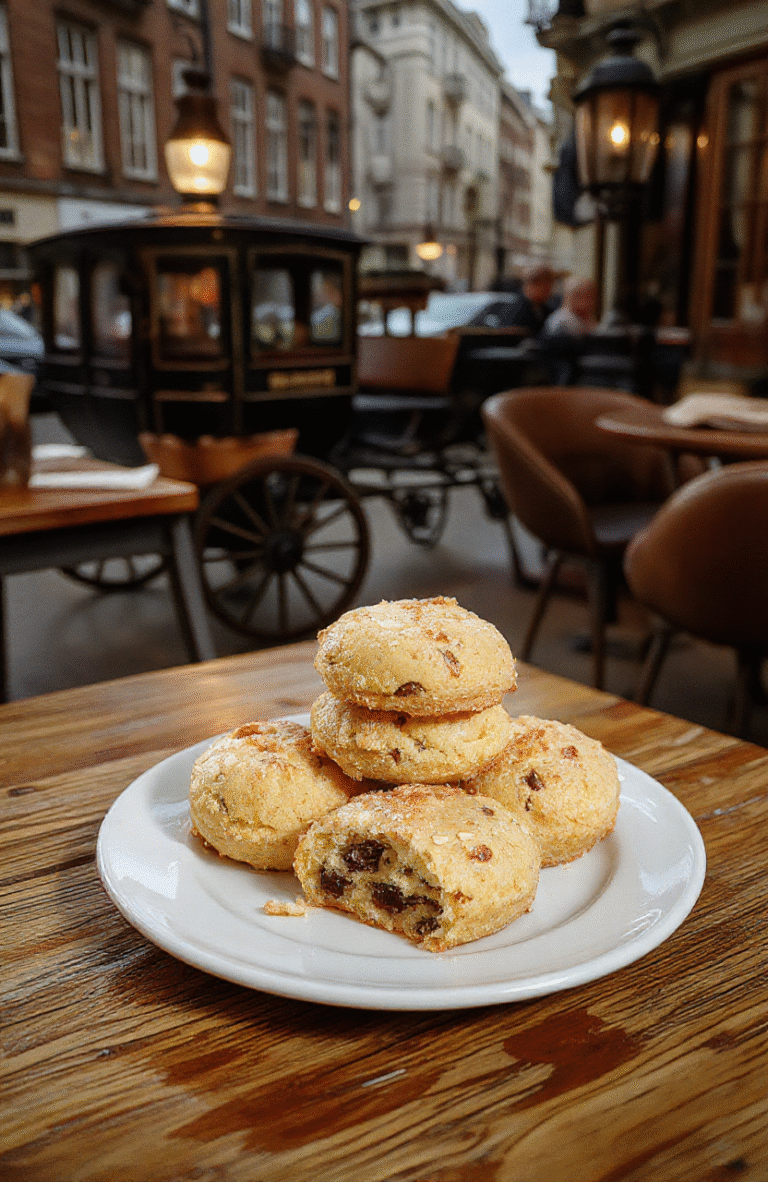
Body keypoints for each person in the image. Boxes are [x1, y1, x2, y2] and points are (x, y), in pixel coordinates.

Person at [465, 263, 556, 335]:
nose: (551, 291)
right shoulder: (514, 308)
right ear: (533, 284)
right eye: (548, 286)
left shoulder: (546, 308)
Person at [539, 276, 597, 384]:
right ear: (571, 297)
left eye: (592, 296)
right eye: (587, 296)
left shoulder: (585, 318)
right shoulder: (561, 321)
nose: (591, 301)